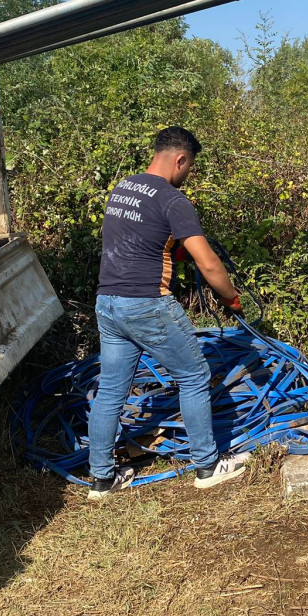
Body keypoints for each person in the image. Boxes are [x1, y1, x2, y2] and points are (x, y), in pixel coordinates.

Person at [88, 126, 250, 499]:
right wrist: (231, 299)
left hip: (108, 303)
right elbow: (208, 265)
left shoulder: (124, 187)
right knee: (194, 375)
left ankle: (102, 480)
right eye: (188, 167)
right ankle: (207, 466)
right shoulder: (173, 200)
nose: (187, 174)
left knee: (112, 389)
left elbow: (135, 240)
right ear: (180, 159)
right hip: (147, 304)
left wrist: (168, 248)